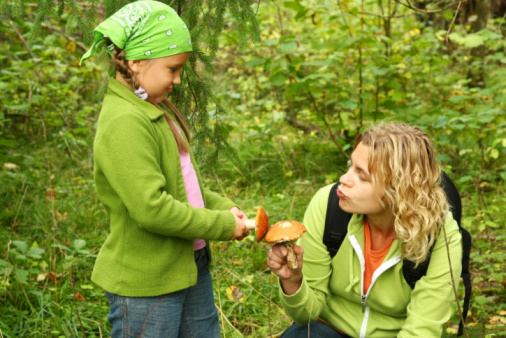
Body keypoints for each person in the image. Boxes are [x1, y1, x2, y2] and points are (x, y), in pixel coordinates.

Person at [79, 1, 250, 337]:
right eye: (172, 69)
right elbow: (153, 209)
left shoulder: (151, 109)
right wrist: (221, 224)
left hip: (189, 265)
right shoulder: (126, 121)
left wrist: (221, 207)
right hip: (148, 283)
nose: (179, 79)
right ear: (137, 61)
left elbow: (183, 187)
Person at [267, 122, 463, 337]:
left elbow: (421, 330)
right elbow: (306, 315)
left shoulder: (440, 235)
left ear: (400, 189)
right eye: (350, 166)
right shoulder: (328, 205)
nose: (344, 179)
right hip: (330, 329)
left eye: (362, 176)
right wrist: (293, 281)